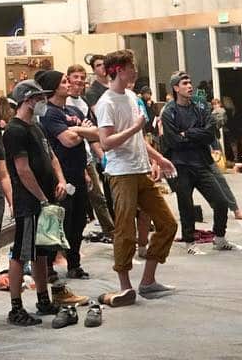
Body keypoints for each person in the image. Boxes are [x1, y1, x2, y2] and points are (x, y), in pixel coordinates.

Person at [94, 50, 178, 308]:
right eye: (131, 67)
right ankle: (125, 287)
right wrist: (134, 128)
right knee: (125, 230)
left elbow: (136, 138)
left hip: (140, 169)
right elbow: (106, 142)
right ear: (119, 70)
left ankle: (148, 281)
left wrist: (158, 159)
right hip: (121, 174)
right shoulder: (106, 103)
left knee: (167, 223)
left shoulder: (130, 96)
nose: (135, 71)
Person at [159, 73, 242, 257]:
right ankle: (190, 241)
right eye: (185, 83)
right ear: (175, 88)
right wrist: (194, 135)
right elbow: (173, 141)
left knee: (221, 202)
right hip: (181, 165)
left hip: (201, 163)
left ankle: (219, 238)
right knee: (186, 205)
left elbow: (209, 134)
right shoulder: (169, 111)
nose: (190, 86)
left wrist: (186, 134)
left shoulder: (200, 107)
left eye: (190, 82)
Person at [1, 80, 56, 328]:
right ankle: (16, 307)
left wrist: (59, 183)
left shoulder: (35, 127)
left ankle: (43, 298)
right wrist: (42, 198)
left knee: (41, 253)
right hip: (29, 202)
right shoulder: (15, 131)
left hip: (42, 199)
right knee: (21, 255)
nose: (43, 102)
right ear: (28, 100)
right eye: (39, 98)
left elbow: (49, 157)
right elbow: (22, 170)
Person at [37, 71, 96, 281]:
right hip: (58, 176)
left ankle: (74, 264)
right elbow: (67, 141)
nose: (69, 83)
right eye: (64, 81)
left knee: (79, 221)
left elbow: (95, 133)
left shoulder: (72, 110)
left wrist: (77, 130)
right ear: (53, 88)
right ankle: (49, 267)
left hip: (77, 172)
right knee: (59, 221)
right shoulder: (48, 112)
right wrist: (82, 130)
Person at [64, 64, 114, 236]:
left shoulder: (83, 103)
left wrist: (103, 157)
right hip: (67, 157)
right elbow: (68, 133)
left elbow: (92, 133)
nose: (79, 81)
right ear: (68, 78)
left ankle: (110, 231)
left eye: (82, 78)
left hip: (86, 155)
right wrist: (81, 131)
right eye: (75, 77)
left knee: (98, 196)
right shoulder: (63, 102)